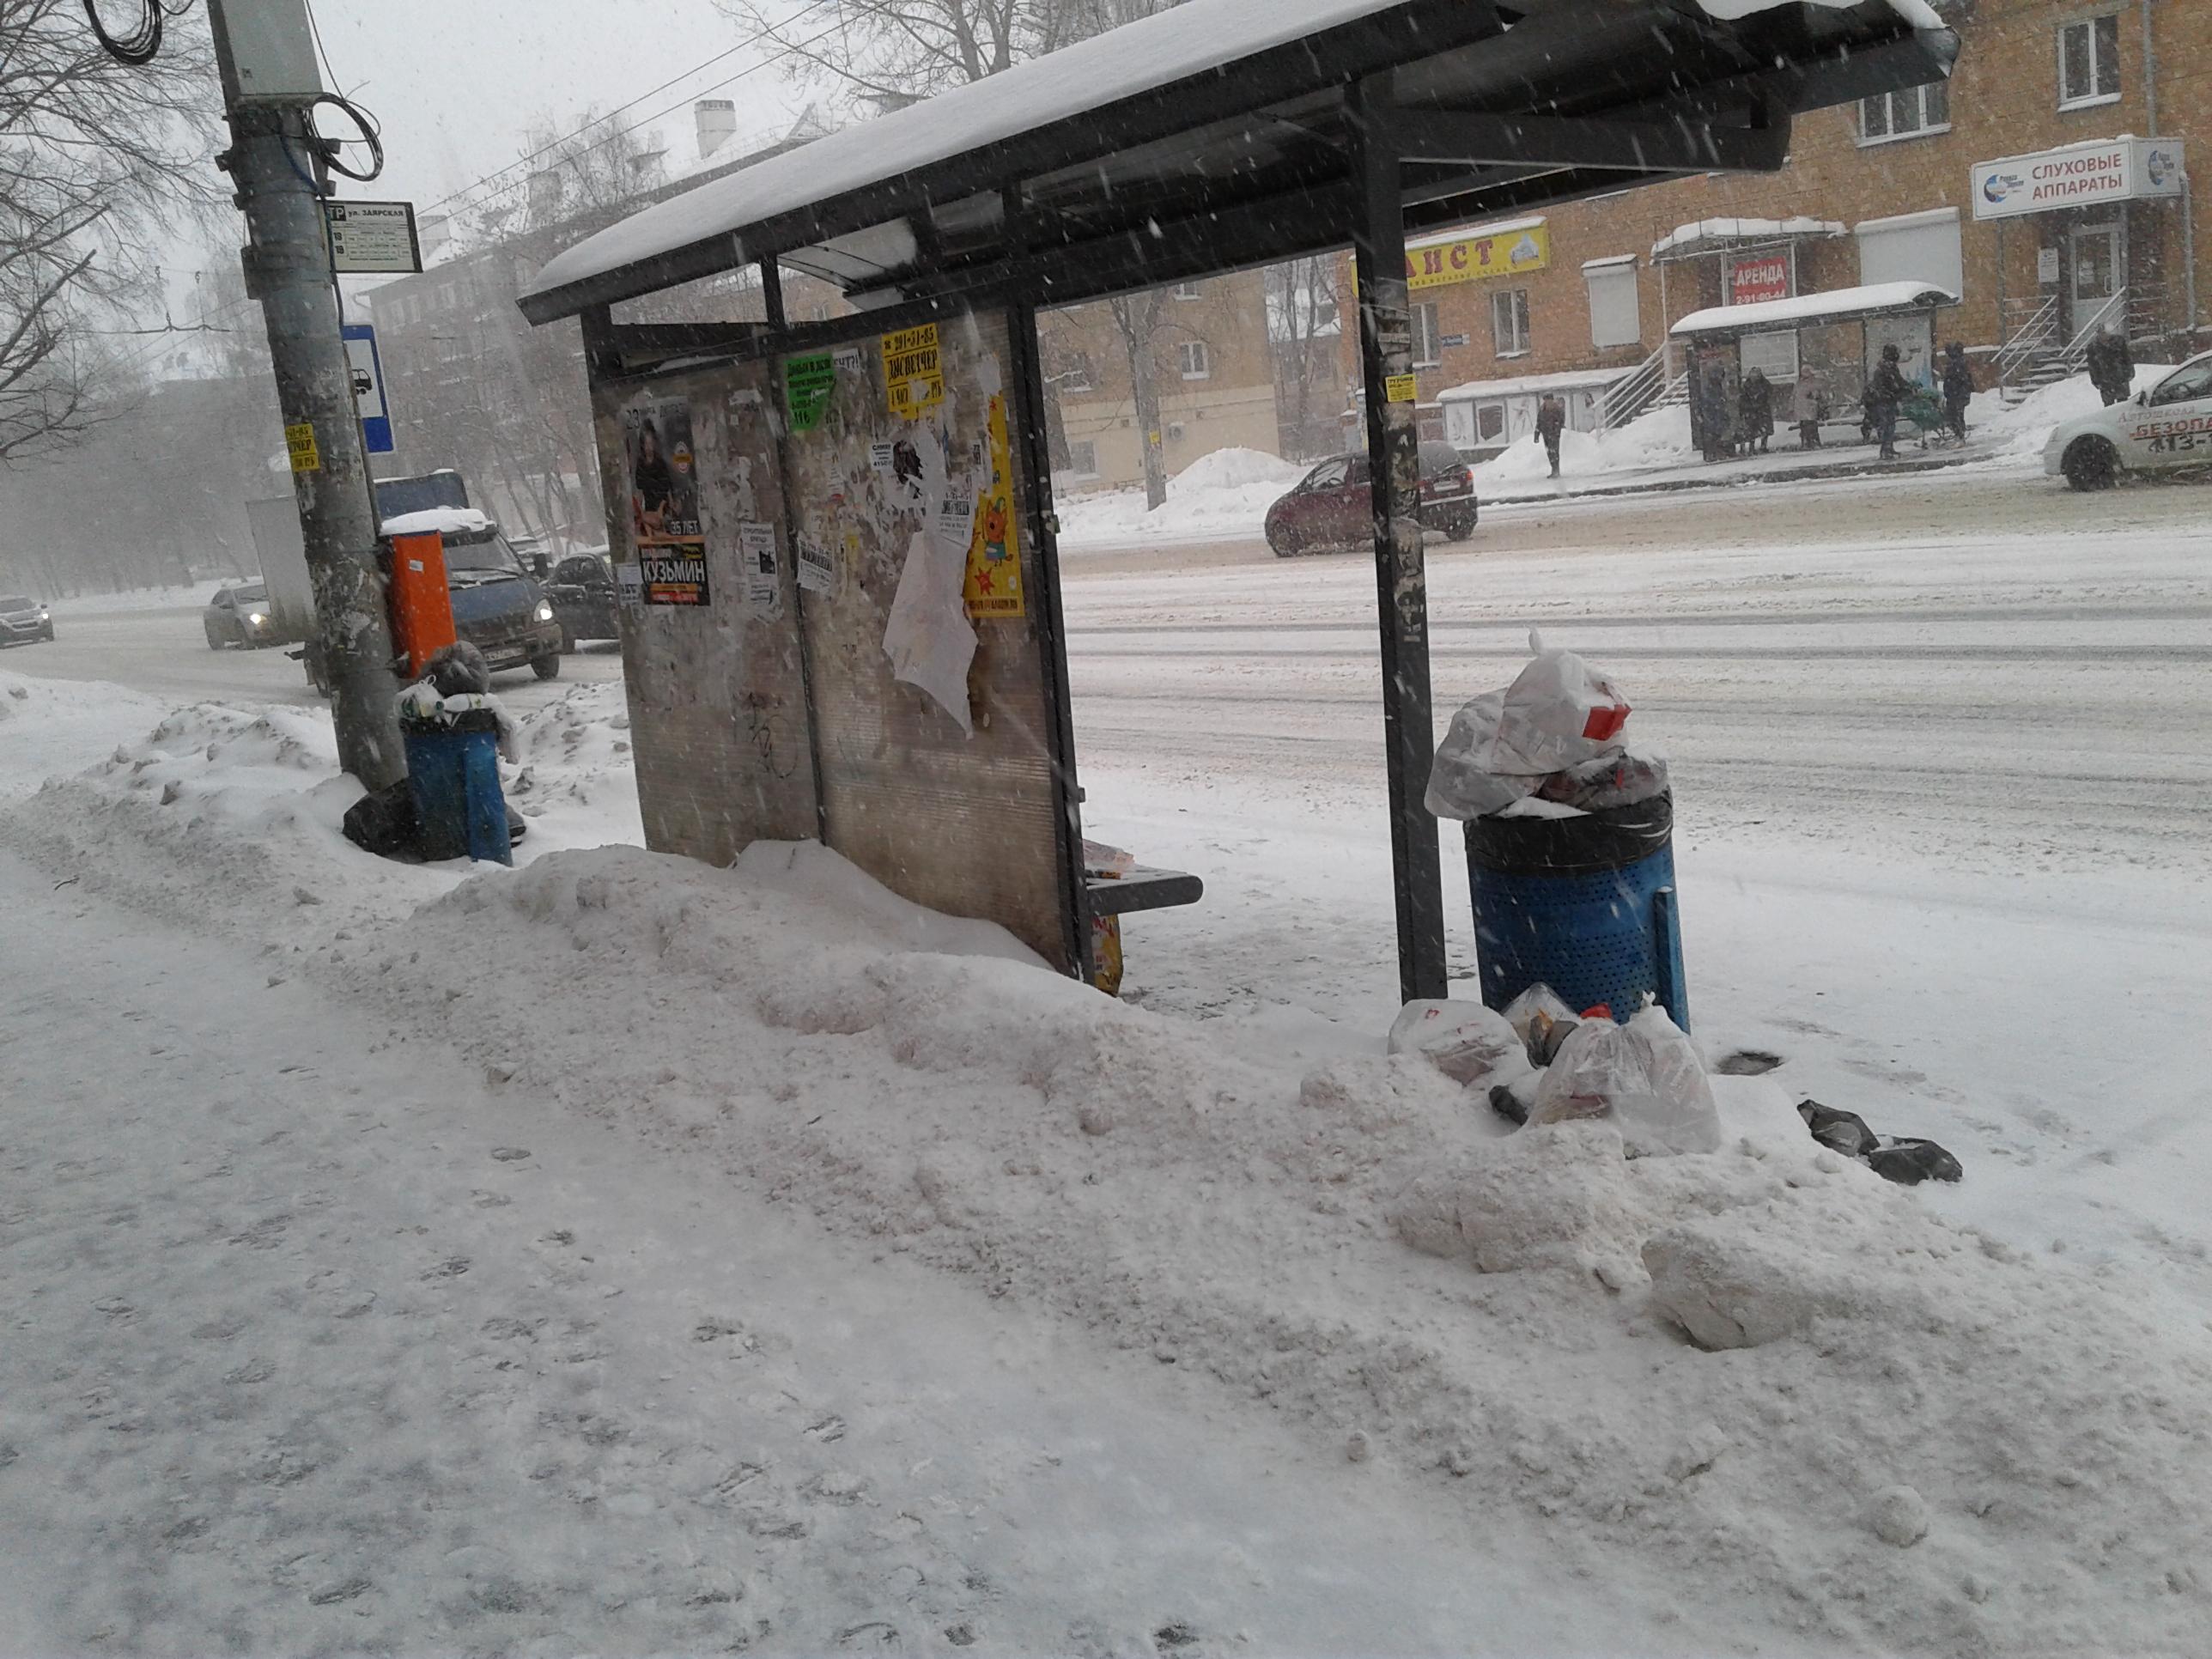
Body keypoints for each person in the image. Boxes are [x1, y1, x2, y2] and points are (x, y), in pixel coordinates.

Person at [1863, 343, 1910, 462]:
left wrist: (1907, 388)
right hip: (1883, 401)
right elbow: (1885, 386)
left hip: (1888, 400)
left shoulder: (1890, 367)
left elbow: (1898, 381)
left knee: (1890, 425)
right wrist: (1895, 392)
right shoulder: (1884, 369)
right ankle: (1885, 449)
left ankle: (1889, 448)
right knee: (1886, 426)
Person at [631, 418, 676, 538]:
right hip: (649, 505)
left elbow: (666, 486)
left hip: (662, 504)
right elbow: (640, 488)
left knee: (663, 530)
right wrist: (640, 510)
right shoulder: (640, 464)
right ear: (642, 445)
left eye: (651, 444)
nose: (649, 447)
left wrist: (664, 507)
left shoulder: (660, 462)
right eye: (646, 444)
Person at [2086, 325, 2134, 406]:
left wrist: (2129, 372)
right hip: (2104, 380)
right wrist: (2096, 381)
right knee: (2108, 405)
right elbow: (2092, 366)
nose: (2104, 335)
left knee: (2123, 404)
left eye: (2105, 333)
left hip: (2120, 377)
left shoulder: (2119, 342)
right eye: (2101, 333)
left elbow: (2127, 358)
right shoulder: (2093, 347)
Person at [1940, 342, 1973, 442]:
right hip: (1958, 394)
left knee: (1953, 416)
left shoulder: (1955, 364)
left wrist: (1951, 391)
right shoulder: (1958, 362)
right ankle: (1959, 434)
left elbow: (1956, 379)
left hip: (1956, 394)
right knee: (1957, 415)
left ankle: (1959, 435)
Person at [1738, 368, 1775, 455]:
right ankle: (1752, 447)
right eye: (1753, 375)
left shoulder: (1764, 384)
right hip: (1752, 410)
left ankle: (1763, 446)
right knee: (1752, 429)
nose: (1755, 377)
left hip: (1762, 408)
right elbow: (1743, 398)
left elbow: (1769, 392)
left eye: (1756, 375)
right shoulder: (1747, 385)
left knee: (1764, 427)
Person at [1534, 392, 1567, 478]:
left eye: (1548, 400)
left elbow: (1561, 421)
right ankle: (1554, 469)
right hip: (1546, 434)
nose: (1547, 402)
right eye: (1546, 400)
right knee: (1549, 452)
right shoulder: (1542, 410)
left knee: (1554, 452)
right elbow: (1539, 422)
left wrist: (1556, 429)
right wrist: (1536, 434)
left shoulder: (1557, 409)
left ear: (1552, 400)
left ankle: (1556, 470)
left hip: (1554, 434)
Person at [1792, 372, 1825, 450]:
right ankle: (1814, 442)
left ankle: (1805, 443)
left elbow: (1794, 396)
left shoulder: (1799, 384)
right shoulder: (1812, 384)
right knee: (1812, 427)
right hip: (1810, 409)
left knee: (1804, 427)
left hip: (1801, 410)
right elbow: (1816, 395)